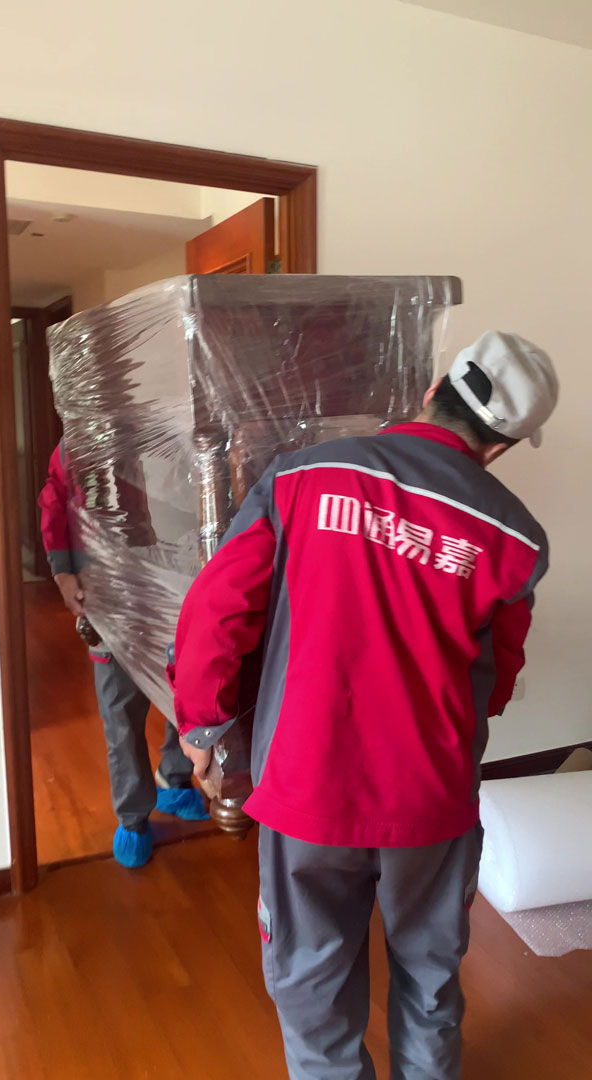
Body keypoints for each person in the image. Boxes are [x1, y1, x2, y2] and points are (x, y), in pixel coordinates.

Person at [169, 330, 558, 1079]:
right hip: (431, 799)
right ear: (502, 446)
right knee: (429, 975)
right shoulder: (514, 538)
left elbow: (217, 610)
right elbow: (499, 674)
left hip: (306, 785)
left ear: (434, 392)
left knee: (310, 981)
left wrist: (203, 725)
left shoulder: (303, 476)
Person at [39, 438, 208, 869]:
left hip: (168, 579)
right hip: (106, 591)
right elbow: (54, 499)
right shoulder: (77, 443)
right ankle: (132, 817)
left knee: (180, 687)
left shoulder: (164, 435)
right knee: (120, 709)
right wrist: (62, 573)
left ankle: (175, 779)